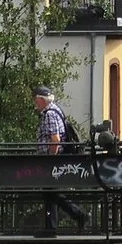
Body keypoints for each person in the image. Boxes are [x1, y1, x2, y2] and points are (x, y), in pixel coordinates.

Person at [35, 88, 88, 233]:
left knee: (50, 192)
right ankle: (52, 226)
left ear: (41, 100)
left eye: (36, 100)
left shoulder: (50, 114)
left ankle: (77, 215)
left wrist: (51, 159)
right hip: (55, 159)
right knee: (50, 192)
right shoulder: (56, 110)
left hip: (52, 160)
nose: (35, 103)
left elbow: (55, 139)